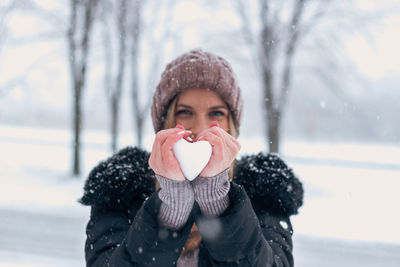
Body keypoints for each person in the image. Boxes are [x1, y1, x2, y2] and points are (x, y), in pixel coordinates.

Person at [79, 49, 304, 267]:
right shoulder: (120, 189)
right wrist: (171, 208)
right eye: (184, 112)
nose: (200, 128)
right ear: (164, 123)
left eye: (216, 113)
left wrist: (217, 201)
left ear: (232, 126)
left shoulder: (265, 191)